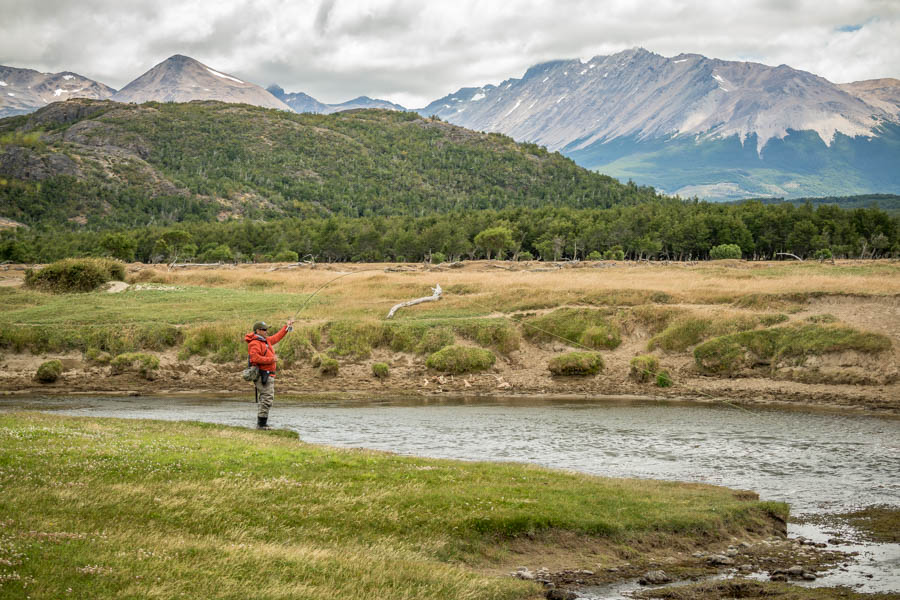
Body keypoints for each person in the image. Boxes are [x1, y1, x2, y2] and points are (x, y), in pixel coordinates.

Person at [244, 319, 294, 429]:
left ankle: (262, 424)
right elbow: (255, 358)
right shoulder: (254, 343)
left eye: (267, 329)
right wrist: (271, 359)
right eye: (264, 329)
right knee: (266, 398)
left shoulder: (265, 340)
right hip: (263, 375)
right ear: (257, 331)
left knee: (266, 398)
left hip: (268, 374)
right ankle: (261, 425)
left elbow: (277, 337)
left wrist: (286, 327)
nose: (266, 331)